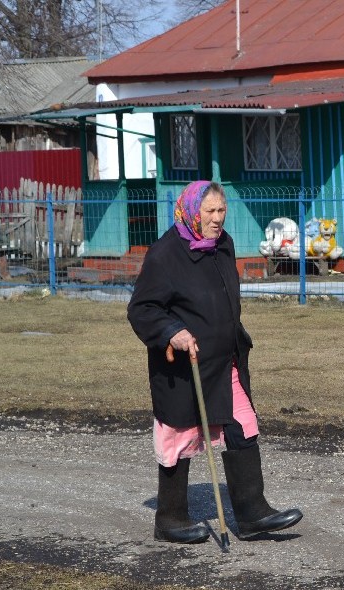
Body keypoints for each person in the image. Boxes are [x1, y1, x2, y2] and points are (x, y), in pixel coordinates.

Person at [128, 180, 302, 544]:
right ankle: (170, 519)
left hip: (226, 361)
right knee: (179, 437)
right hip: (184, 366)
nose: (217, 219)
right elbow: (142, 309)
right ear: (192, 210)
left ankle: (253, 513)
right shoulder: (165, 254)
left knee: (243, 425)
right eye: (209, 211)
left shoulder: (224, 246)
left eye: (221, 211)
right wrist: (171, 330)